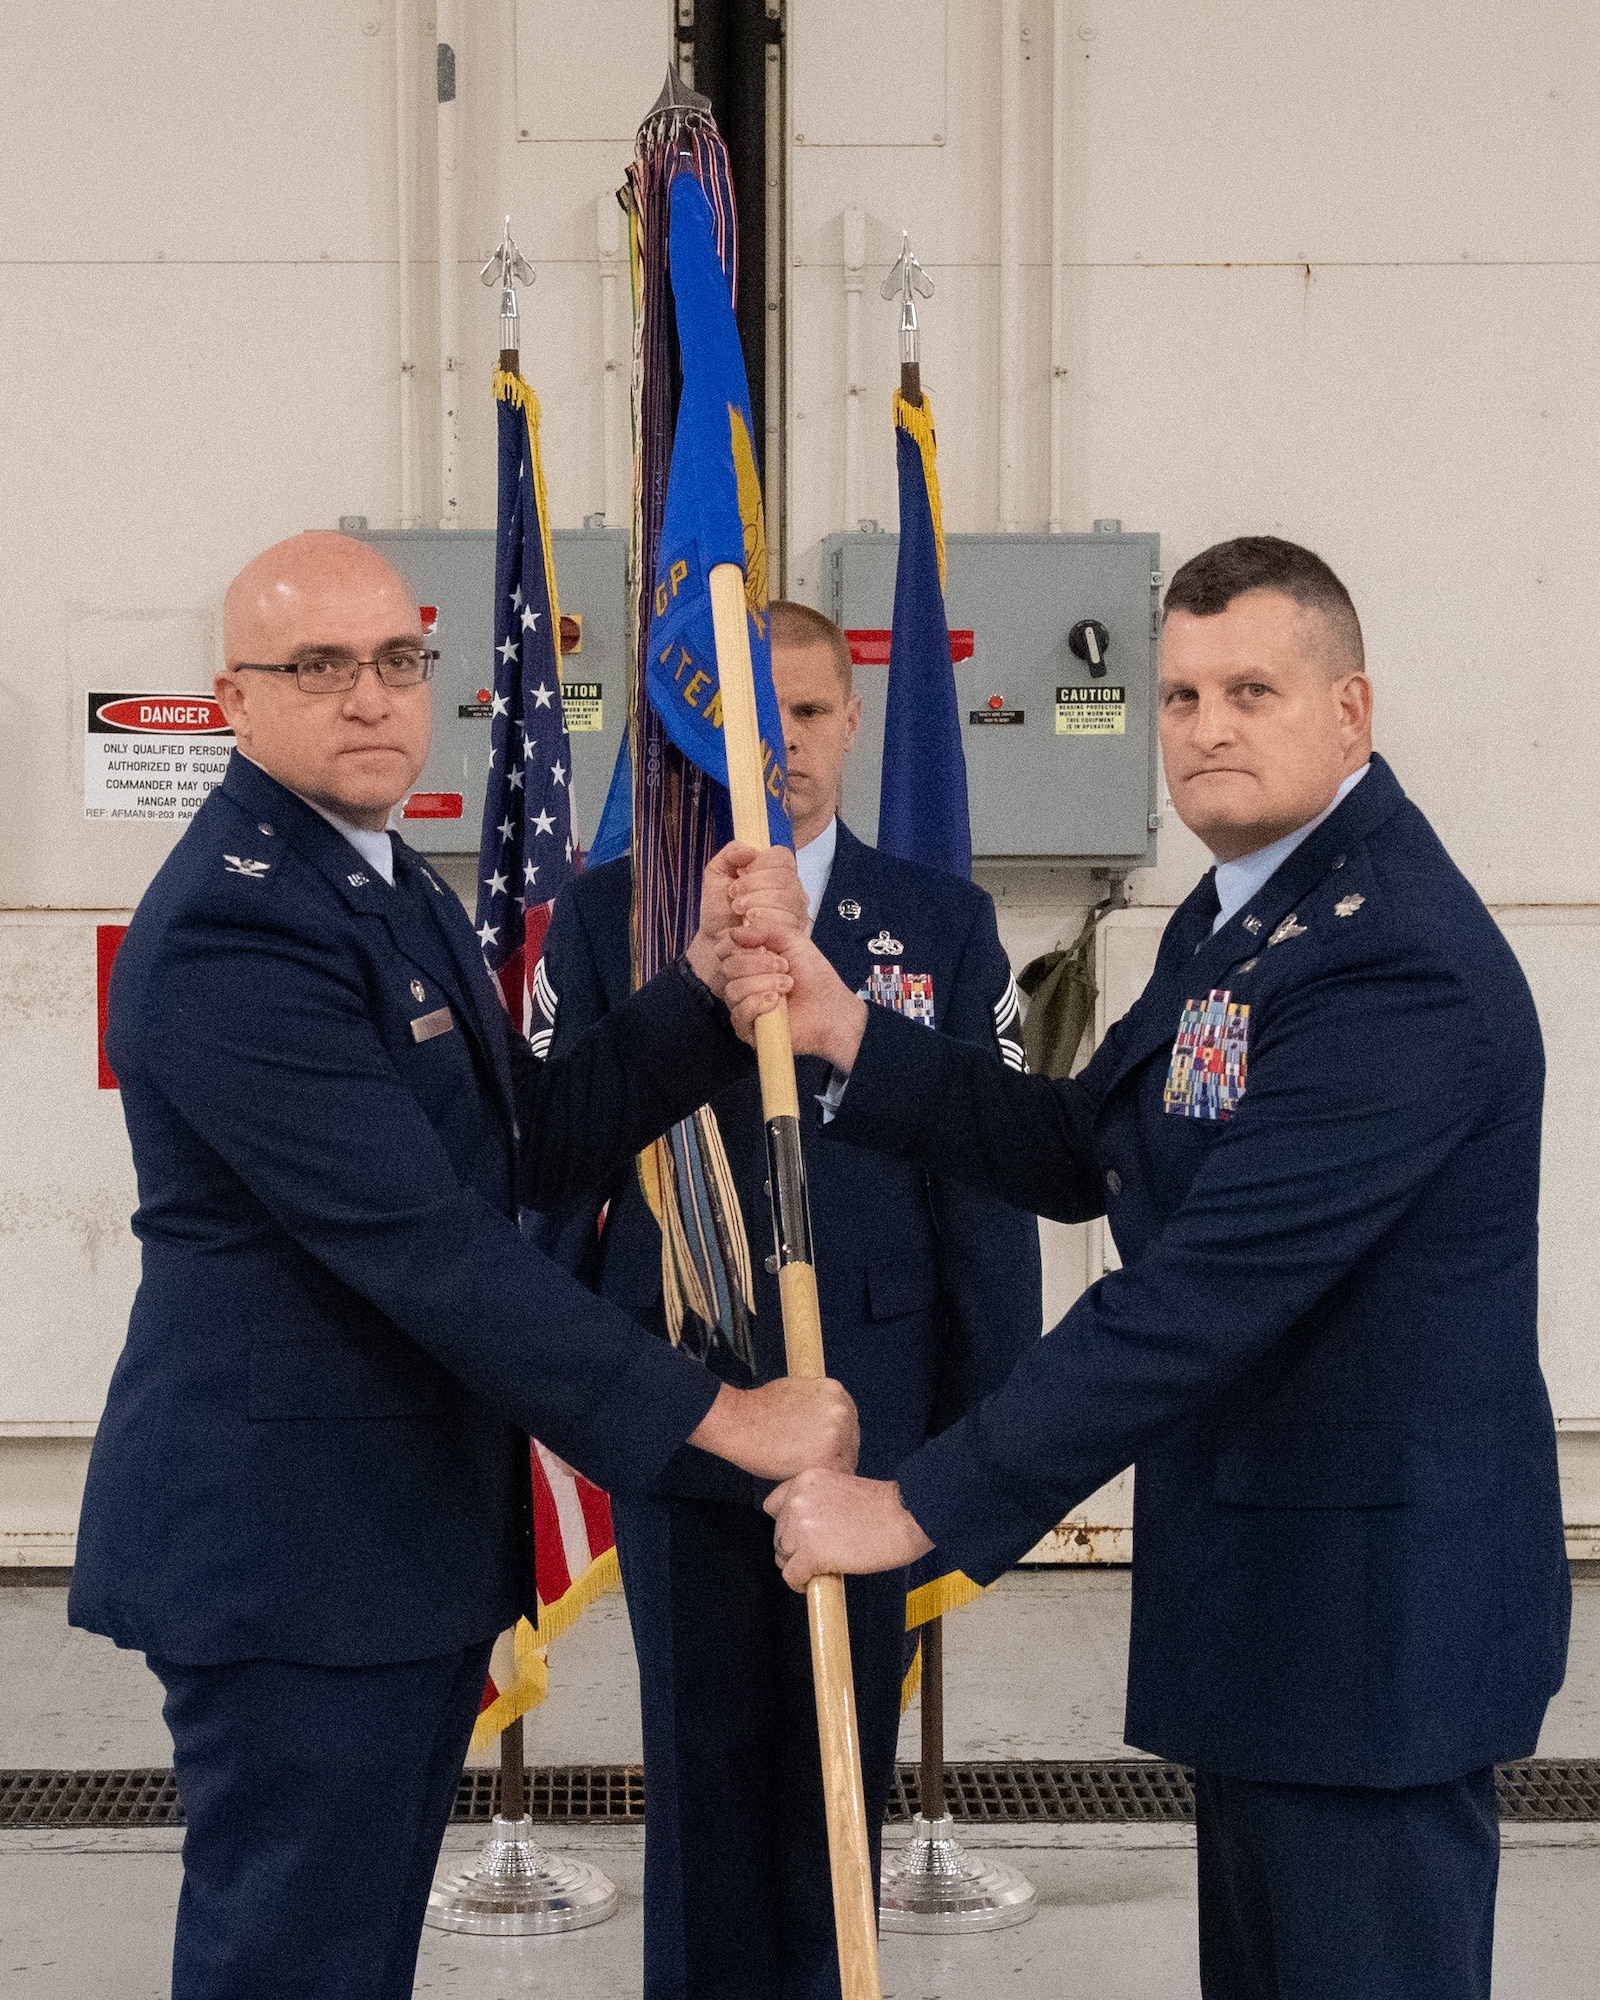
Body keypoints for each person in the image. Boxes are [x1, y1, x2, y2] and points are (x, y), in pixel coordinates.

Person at [735, 539, 1571, 2000]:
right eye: (1180, 696)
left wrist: (917, 1503)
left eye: (1252, 688)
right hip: (1268, 1590)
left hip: (1376, 1619)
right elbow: (1090, 1148)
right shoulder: (1241, 914)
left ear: (1350, 711)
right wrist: (851, 1034)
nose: (1208, 729)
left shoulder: (1396, 964)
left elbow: (1198, 1296)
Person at [68, 532, 856, 2000]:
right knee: (295, 1960)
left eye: (397, 661)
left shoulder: (381, 879)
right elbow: (423, 1246)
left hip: (389, 1538)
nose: (369, 698)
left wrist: (691, 995)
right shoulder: (240, 920)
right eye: (318, 667)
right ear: (233, 699)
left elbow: (512, 1151)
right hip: (296, 1552)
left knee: (347, 1951)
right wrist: (715, 1417)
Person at [529, 599, 1042, 2000]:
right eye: (757, 721)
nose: (787, 747)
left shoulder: (936, 922)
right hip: (679, 1401)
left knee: (839, 1769)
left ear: (854, 717)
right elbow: (549, 1171)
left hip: (873, 1410)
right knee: (699, 1771)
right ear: (687, 739)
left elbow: (986, 1186)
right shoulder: (609, 919)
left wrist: (985, 1433)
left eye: (811, 713)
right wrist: (577, 1402)